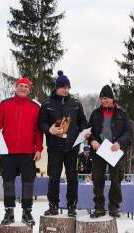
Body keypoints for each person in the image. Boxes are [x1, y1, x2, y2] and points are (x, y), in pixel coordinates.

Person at [0, 77, 43, 226]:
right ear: (16, 86)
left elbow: (38, 131)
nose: (23, 88)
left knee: (28, 183)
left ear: (29, 89)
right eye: (21, 85)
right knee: (8, 183)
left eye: (26, 86)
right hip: (7, 152)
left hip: (28, 153)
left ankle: (27, 212)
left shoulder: (35, 107)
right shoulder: (4, 104)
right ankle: (9, 212)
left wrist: (38, 149)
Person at [38, 71, 88, 217]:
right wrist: (49, 129)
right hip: (54, 147)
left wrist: (84, 131)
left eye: (68, 87)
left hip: (72, 147)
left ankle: (72, 206)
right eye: (63, 87)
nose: (66, 90)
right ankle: (53, 205)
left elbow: (82, 121)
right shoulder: (47, 104)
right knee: (54, 177)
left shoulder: (76, 103)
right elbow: (40, 123)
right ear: (56, 88)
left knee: (72, 178)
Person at [88, 84, 133, 218]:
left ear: (112, 99)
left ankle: (114, 207)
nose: (104, 101)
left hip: (115, 151)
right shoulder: (95, 113)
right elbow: (88, 131)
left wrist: (120, 143)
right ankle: (99, 208)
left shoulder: (122, 113)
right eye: (102, 98)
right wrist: (92, 140)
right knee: (98, 179)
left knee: (115, 179)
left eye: (106, 98)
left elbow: (129, 132)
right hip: (98, 151)